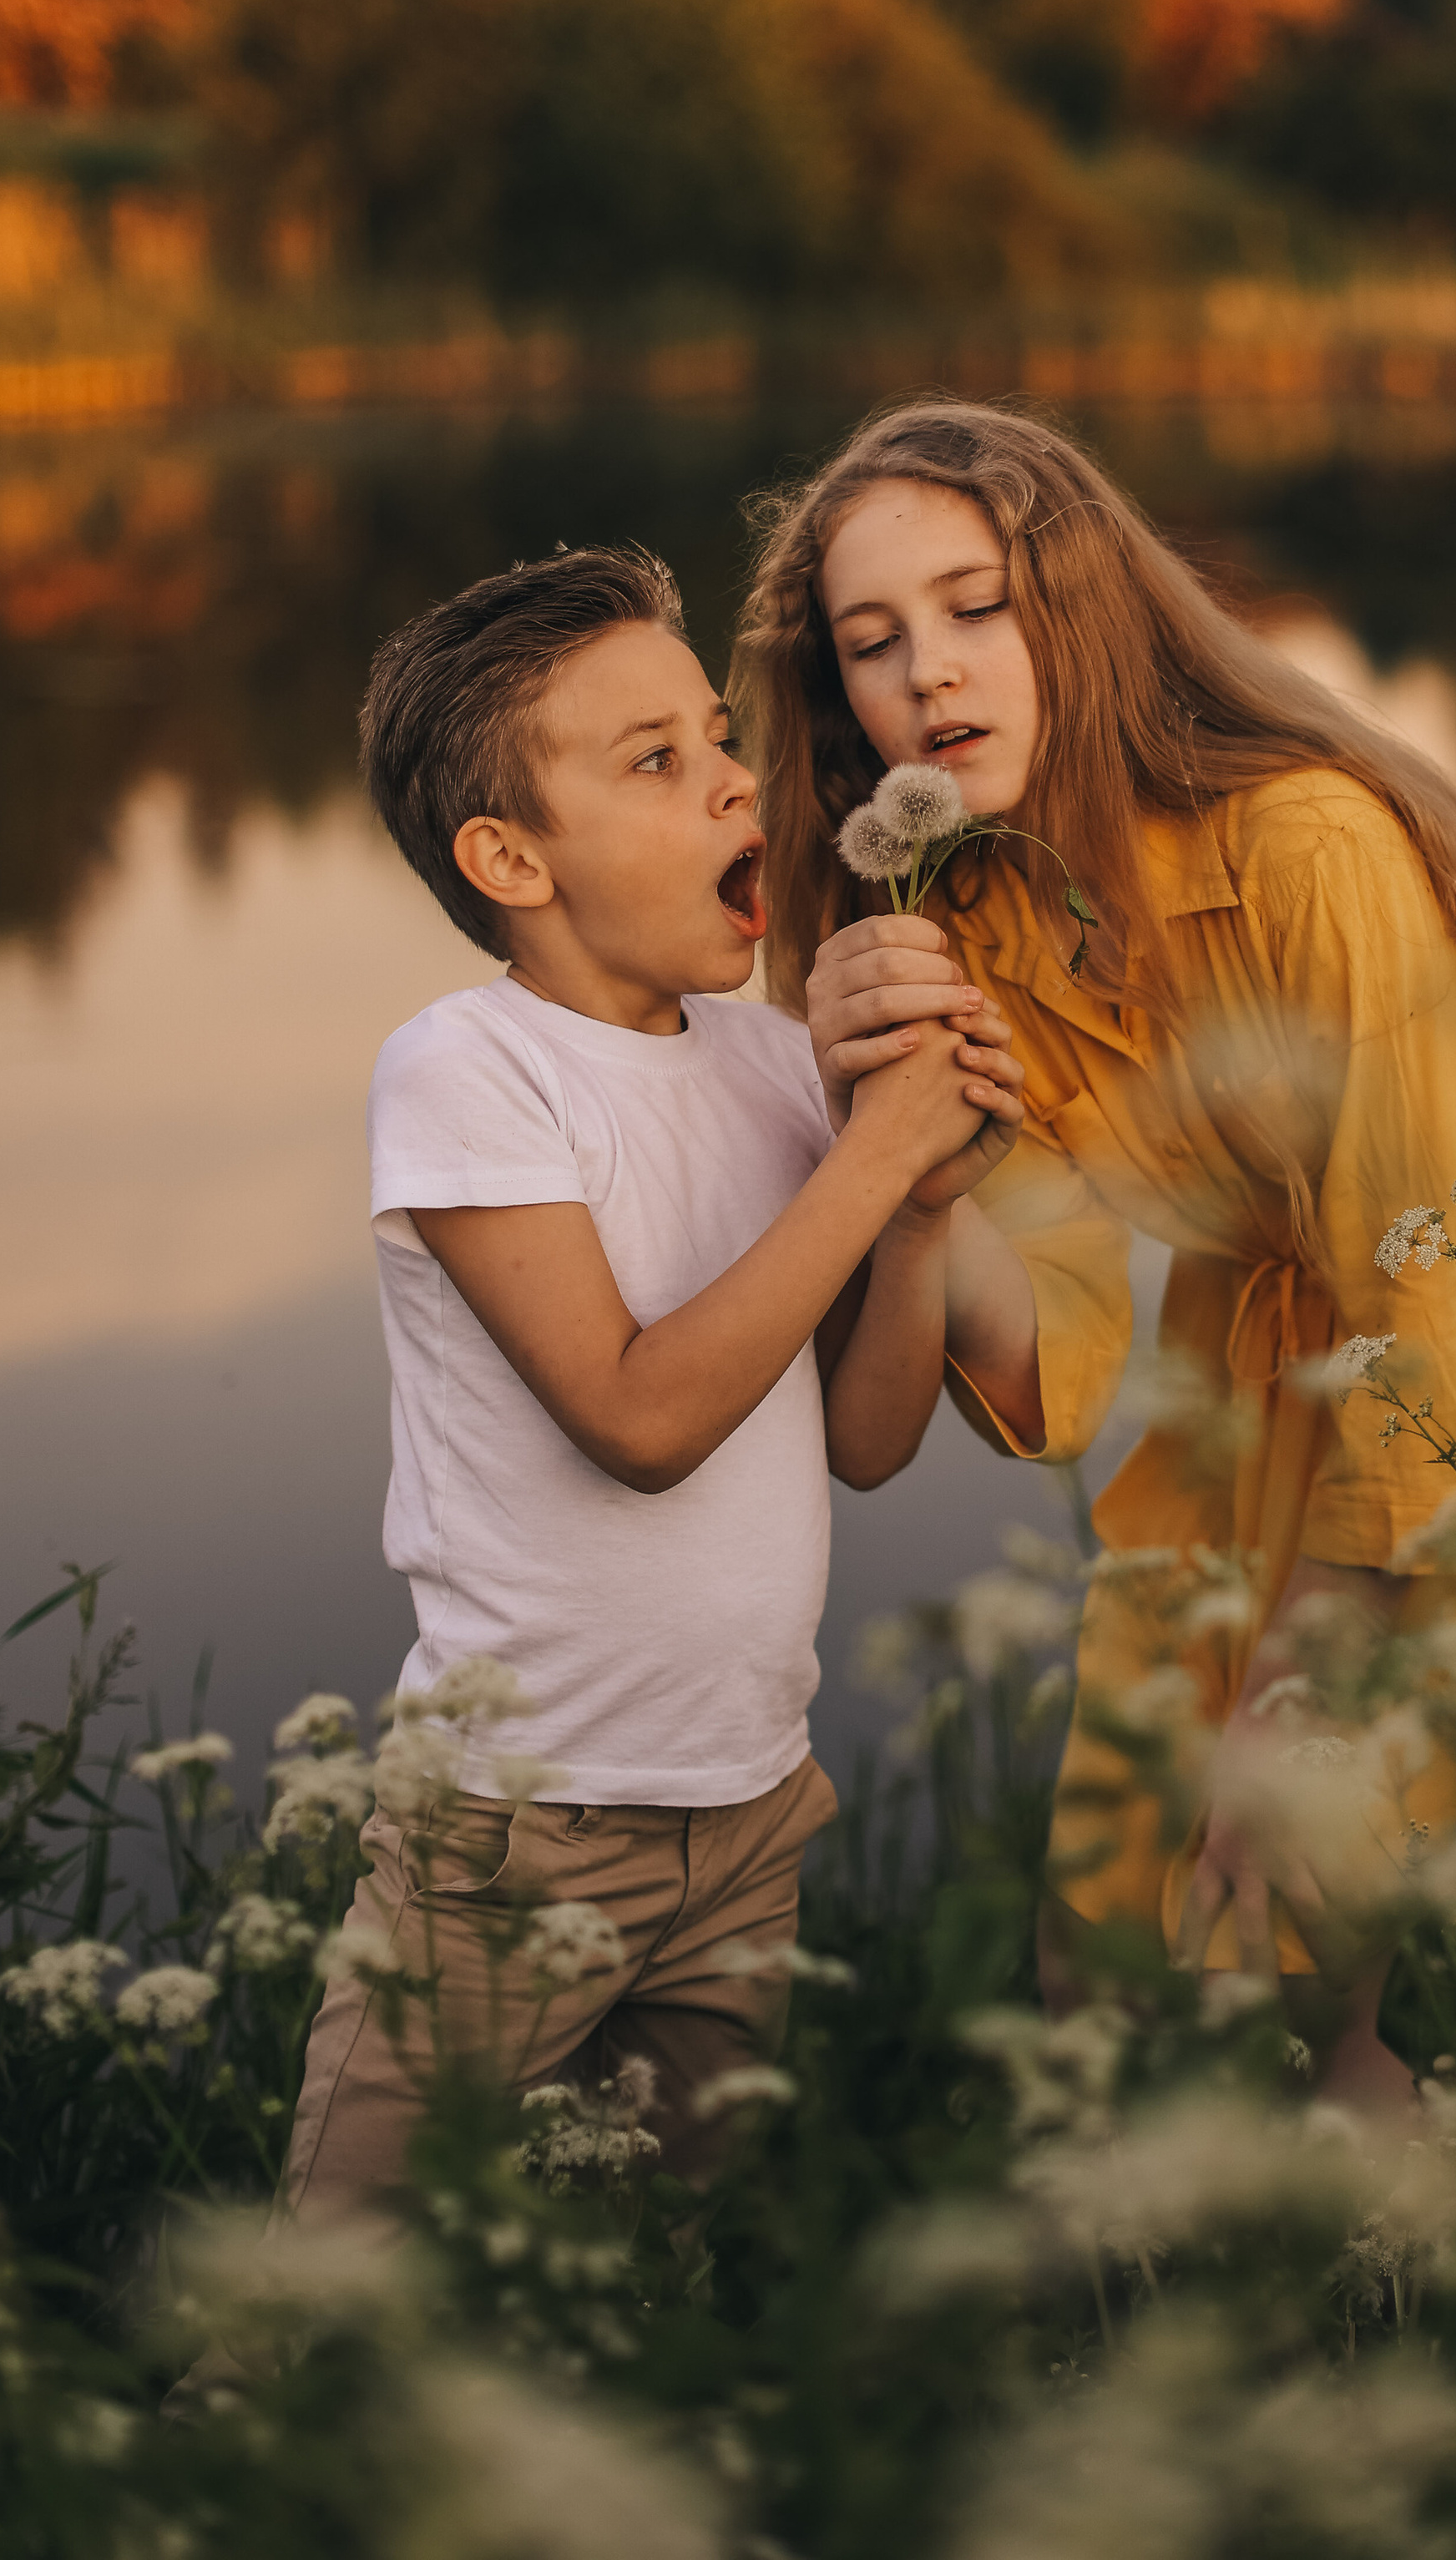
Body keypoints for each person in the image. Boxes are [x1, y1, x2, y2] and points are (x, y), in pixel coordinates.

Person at [732, 402, 1456, 2106]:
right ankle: (1273, 2222)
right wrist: (908, 1154)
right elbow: (1045, 1324)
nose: (927, 673)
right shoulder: (959, 909)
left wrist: (1304, 1677)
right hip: (1265, 1331)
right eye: (871, 644)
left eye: (976, 607)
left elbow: (1431, 1275)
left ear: (1083, 610)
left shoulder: (1303, 845)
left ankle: (1427, 2213)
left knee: (1283, 1935)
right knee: (1103, 1942)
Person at [285, 544, 1024, 2215]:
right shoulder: (470, 1069)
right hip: (514, 1826)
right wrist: (871, 1161)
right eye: (655, 761)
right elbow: (637, 1420)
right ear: (511, 859)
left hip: (747, 1808)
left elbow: (866, 1443)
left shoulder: (773, 1065)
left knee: (663, 2262)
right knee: (339, 2281)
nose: (733, 781)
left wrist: (916, 1208)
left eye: (718, 738)